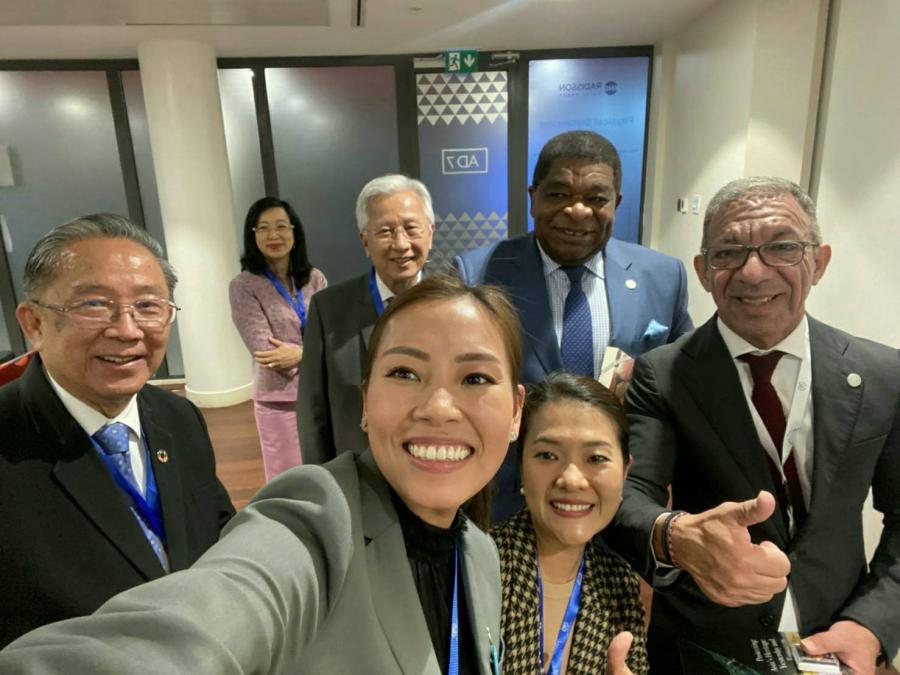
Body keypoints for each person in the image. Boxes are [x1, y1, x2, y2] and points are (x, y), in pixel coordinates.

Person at [0, 274, 533, 674]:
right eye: (405, 372)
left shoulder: (481, 554)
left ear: (515, 412)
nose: (438, 407)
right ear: (367, 401)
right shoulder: (320, 516)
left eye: (475, 378)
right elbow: (215, 611)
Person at [606, 177, 900, 674]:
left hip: (838, 637)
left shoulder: (883, 374)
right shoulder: (662, 375)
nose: (754, 271)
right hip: (703, 645)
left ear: (819, 261)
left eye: (782, 247)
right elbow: (628, 497)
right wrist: (675, 536)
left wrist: (871, 625)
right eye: (728, 253)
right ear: (703, 272)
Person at [0, 214, 235, 647]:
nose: (127, 330)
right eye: (94, 305)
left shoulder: (178, 417)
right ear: (33, 324)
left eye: (148, 306)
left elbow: (216, 528)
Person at [455, 130, 693, 520]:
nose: (577, 211)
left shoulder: (663, 277)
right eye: (558, 194)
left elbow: (679, 389)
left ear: (616, 203)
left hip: (620, 506)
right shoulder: (479, 274)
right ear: (533, 198)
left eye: (596, 199)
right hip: (509, 505)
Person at [493, 372, 648, 674]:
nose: (572, 479)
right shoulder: (478, 564)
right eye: (548, 455)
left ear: (625, 470)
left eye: (596, 458)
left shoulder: (620, 583)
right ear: (521, 465)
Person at [298, 173, 436, 465]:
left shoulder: (456, 306)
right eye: (386, 231)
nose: (401, 244)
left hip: (436, 461)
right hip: (358, 471)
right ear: (365, 241)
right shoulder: (328, 309)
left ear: (430, 232)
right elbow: (313, 411)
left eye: (411, 228)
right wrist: (321, 480)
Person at [229, 197, 327, 481]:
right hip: (278, 400)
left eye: (281, 226)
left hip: (319, 393)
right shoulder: (244, 285)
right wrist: (313, 352)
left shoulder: (315, 279)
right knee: (288, 478)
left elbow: (329, 334)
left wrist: (300, 354)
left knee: (323, 471)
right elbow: (265, 351)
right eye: (264, 228)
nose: (274, 235)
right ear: (253, 236)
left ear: (295, 233)